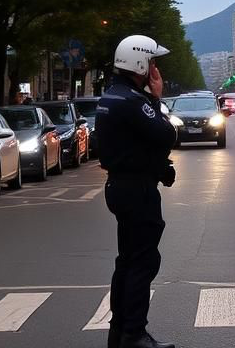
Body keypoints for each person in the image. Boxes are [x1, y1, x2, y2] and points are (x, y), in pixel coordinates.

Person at [95, 35, 177, 348]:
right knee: (143, 261)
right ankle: (134, 334)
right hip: (136, 189)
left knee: (127, 261)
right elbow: (164, 134)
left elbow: (139, 144)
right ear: (139, 62)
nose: (155, 68)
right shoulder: (133, 100)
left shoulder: (111, 96)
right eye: (152, 61)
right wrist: (156, 99)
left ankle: (119, 331)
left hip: (120, 185)